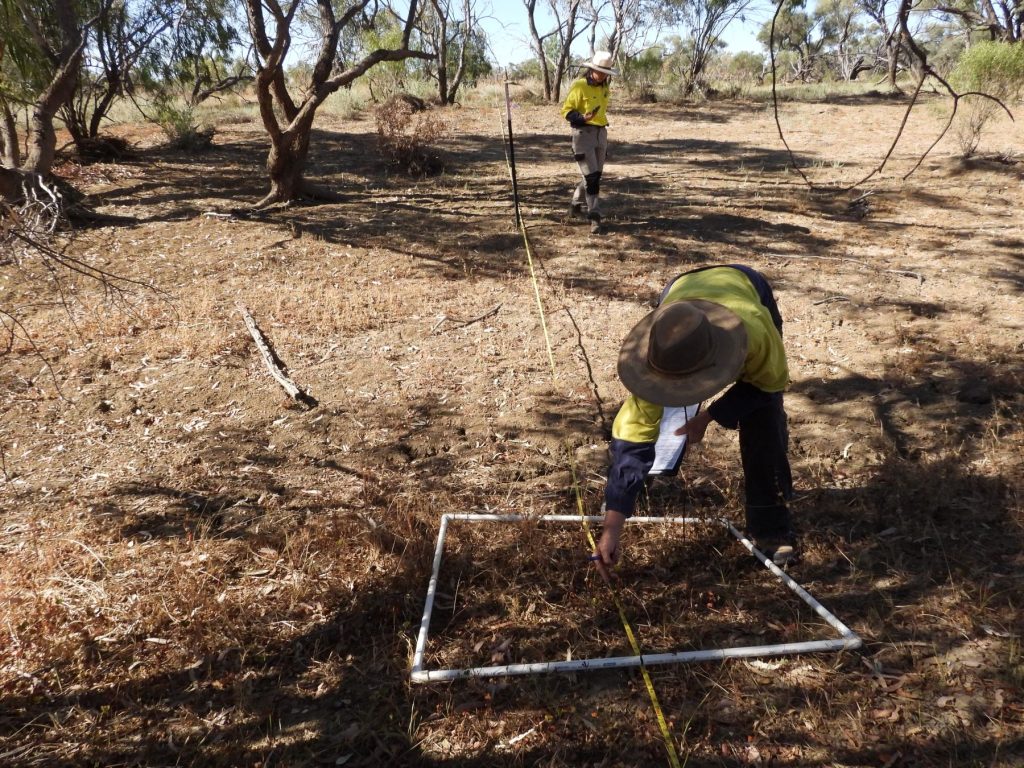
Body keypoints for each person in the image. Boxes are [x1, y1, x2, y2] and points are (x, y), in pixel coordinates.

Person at [594, 264, 796, 572]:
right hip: (681, 291)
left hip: (746, 285)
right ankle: (628, 496)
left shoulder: (754, 332)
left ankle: (772, 529)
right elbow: (631, 443)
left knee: (763, 423)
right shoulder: (662, 346)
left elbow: (767, 385)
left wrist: (710, 415)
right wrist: (612, 530)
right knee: (651, 425)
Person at [561, 51, 618, 235]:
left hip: (601, 134)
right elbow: (567, 112)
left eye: (605, 72)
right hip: (583, 135)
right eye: (599, 71)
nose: (602, 75)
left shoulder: (604, 87)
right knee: (592, 178)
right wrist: (582, 118)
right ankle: (594, 217)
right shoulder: (579, 86)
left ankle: (575, 205)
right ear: (591, 69)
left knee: (594, 176)